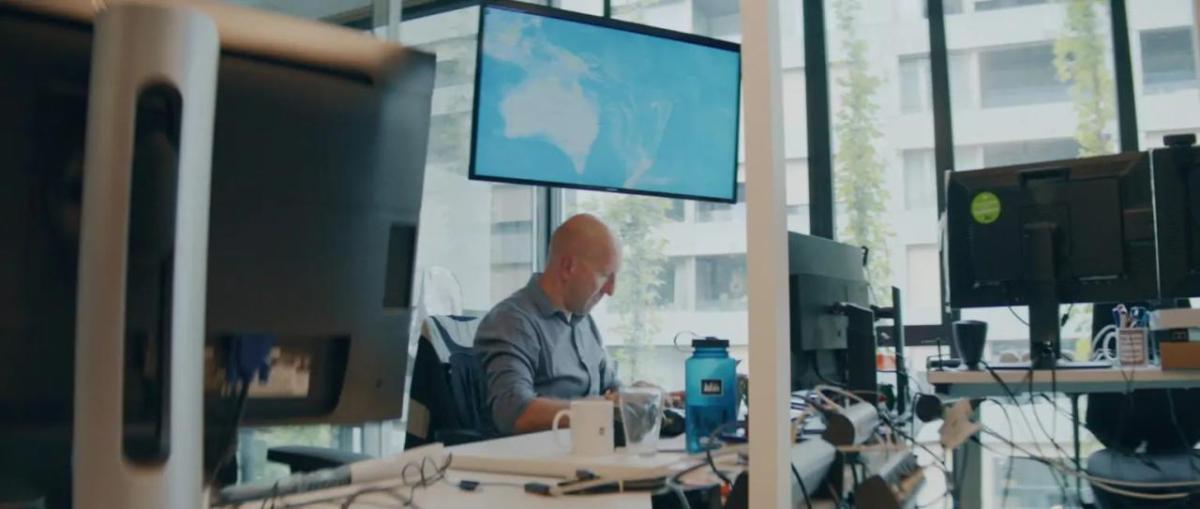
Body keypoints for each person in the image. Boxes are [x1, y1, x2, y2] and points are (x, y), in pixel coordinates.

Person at [475, 213, 622, 435]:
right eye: (604, 275)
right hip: (540, 460)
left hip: (587, 451)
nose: (611, 290)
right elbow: (514, 412)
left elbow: (610, 389)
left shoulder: (583, 321)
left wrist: (643, 398)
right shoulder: (512, 321)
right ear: (568, 266)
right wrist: (602, 410)